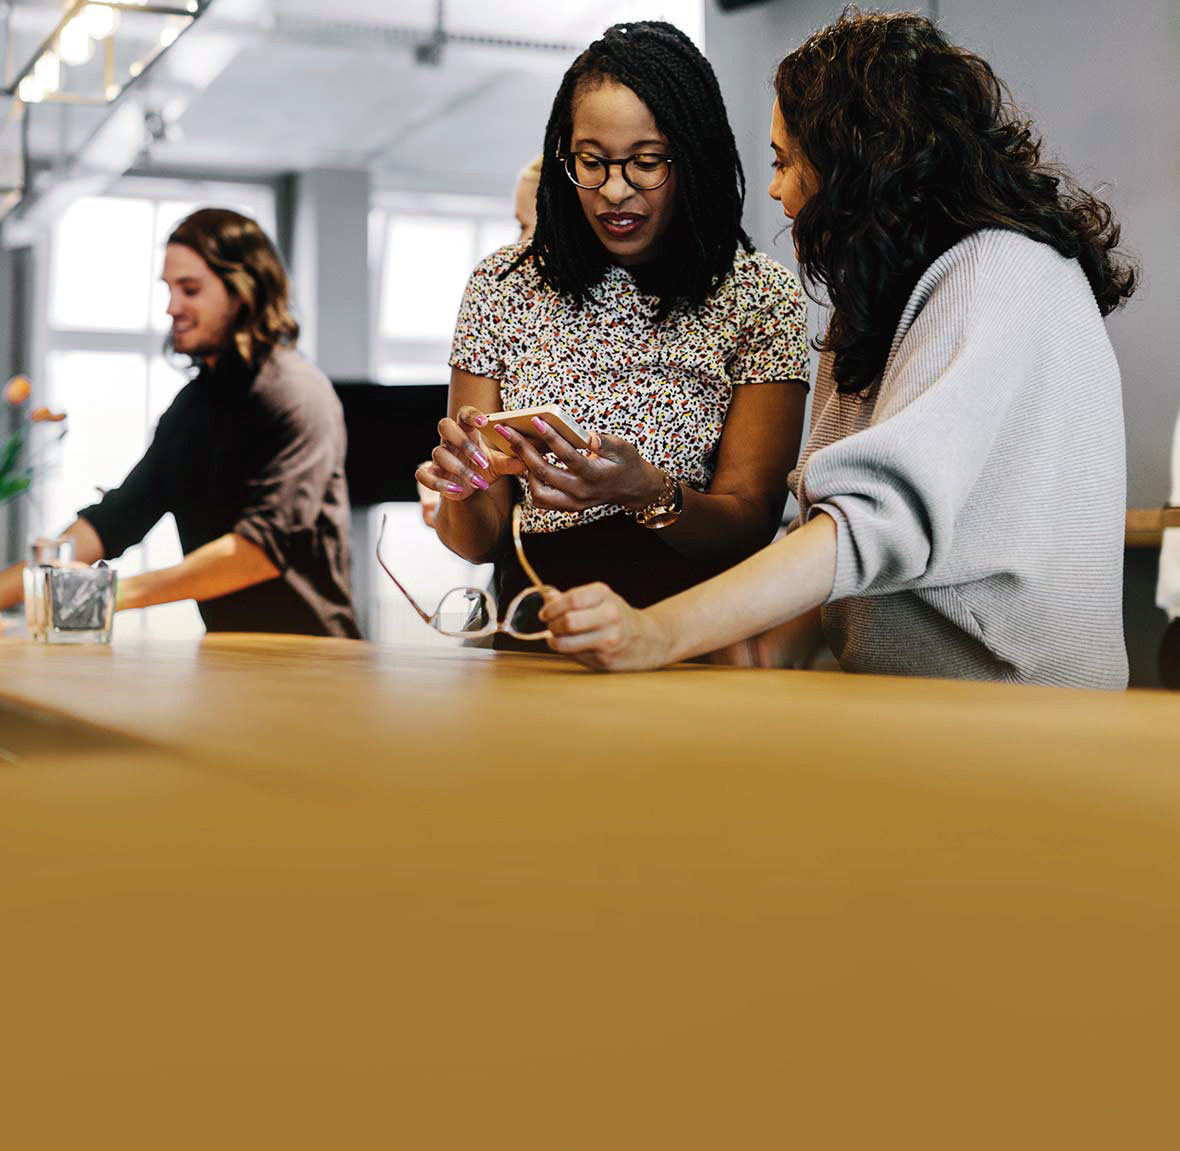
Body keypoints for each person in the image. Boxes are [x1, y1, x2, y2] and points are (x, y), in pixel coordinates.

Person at [539, 11, 1136, 689]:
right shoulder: (872, 305)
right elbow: (834, 532)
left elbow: (874, 519)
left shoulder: (998, 274)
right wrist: (758, 645)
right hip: (903, 711)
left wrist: (658, 631)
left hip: (1017, 723)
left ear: (858, 163)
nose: (775, 188)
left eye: (786, 160)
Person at [417, 21, 810, 642]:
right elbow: (483, 540)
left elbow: (750, 522)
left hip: (686, 639)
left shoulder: (758, 298)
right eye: (591, 163)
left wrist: (646, 491)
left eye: (646, 163)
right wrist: (463, 490)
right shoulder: (503, 287)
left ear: (693, 159)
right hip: (536, 635)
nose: (614, 192)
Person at [0, 208, 359, 638]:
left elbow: (259, 551)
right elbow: (117, 519)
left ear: (243, 290)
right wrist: (16, 588)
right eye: (169, 289)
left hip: (313, 659)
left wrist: (103, 594)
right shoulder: (191, 406)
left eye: (190, 289)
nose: (172, 307)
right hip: (228, 656)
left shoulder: (297, 393)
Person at [417, 156, 543, 530]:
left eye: (532, 227)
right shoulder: (498, 300)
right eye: (519, 226)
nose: (519, 245)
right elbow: (476, 528)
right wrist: (457, 498)